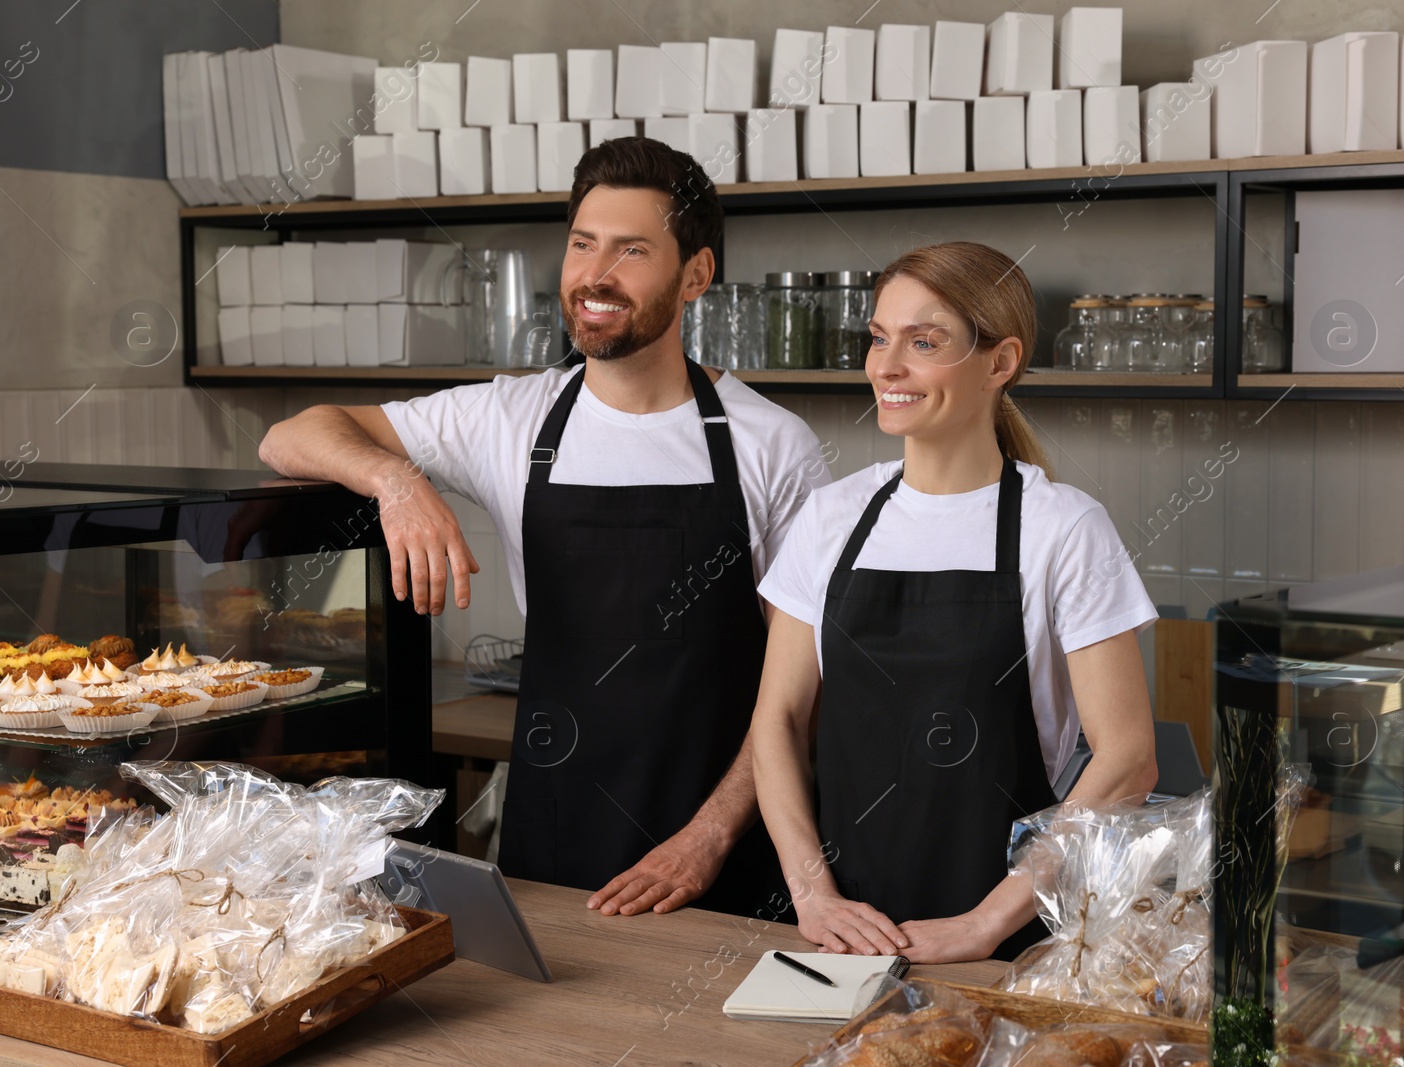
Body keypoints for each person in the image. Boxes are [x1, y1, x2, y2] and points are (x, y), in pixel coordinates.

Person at [260, 137, 831, 918]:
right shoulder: (512, 415)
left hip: (723, 850)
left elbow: (805, 686)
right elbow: (290, 435)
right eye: (582, 245)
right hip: (555, 834)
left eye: (632, 250)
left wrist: (708, 837)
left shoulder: (771, 444)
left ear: (695, 275)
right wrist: (395, 480)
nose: (596, 275)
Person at [751, 242, 1159, 963]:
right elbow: (776, 720)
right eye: (879, 337)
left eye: (924, 342)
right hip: (839, 935)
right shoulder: (831, 517)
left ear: (999, 363)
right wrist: (813, 894)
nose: (887, 365)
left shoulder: (1062, 527)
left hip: (1004, 942)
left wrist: (986, 922)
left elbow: (1128, 759)